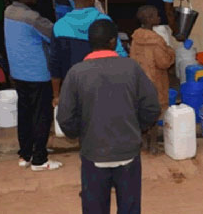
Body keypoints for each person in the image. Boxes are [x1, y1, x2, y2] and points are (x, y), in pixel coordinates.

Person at [57, 19, 161, 214]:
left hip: (93, 152)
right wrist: (137, 128)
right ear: (114, 42)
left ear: (90, 42)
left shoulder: (76, 73)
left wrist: (82, 134)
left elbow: (65, 118)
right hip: (128, 152)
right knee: (130, 208)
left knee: (94, 208)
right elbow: (152, 107)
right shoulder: (132, 68)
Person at [4, 0, 63, 171]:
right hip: (37, 73)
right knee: (41, 116)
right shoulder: (32, 18)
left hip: (18, 72)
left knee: (25, 113)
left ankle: (25, 154)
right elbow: (54, 33)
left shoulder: (9, 12)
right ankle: (40, 159)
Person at [51, 0, 127, 100]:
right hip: (102, 86)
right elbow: (120, 55)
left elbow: (55, 63)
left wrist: (56, 95)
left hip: (72, 87)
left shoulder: (59, 26)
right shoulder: (104, 21)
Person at [129, 5, 175, 155]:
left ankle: (142, 142)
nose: (159, 17)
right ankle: (154, 144)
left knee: (142, 111)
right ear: (149, 19)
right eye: (156, 15)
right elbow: (164, 62)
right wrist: (171, 52)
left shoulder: (135, 38)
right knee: (154, 113)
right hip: (156, 81)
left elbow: (132, 59)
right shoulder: (156, 40)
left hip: (139, 80)